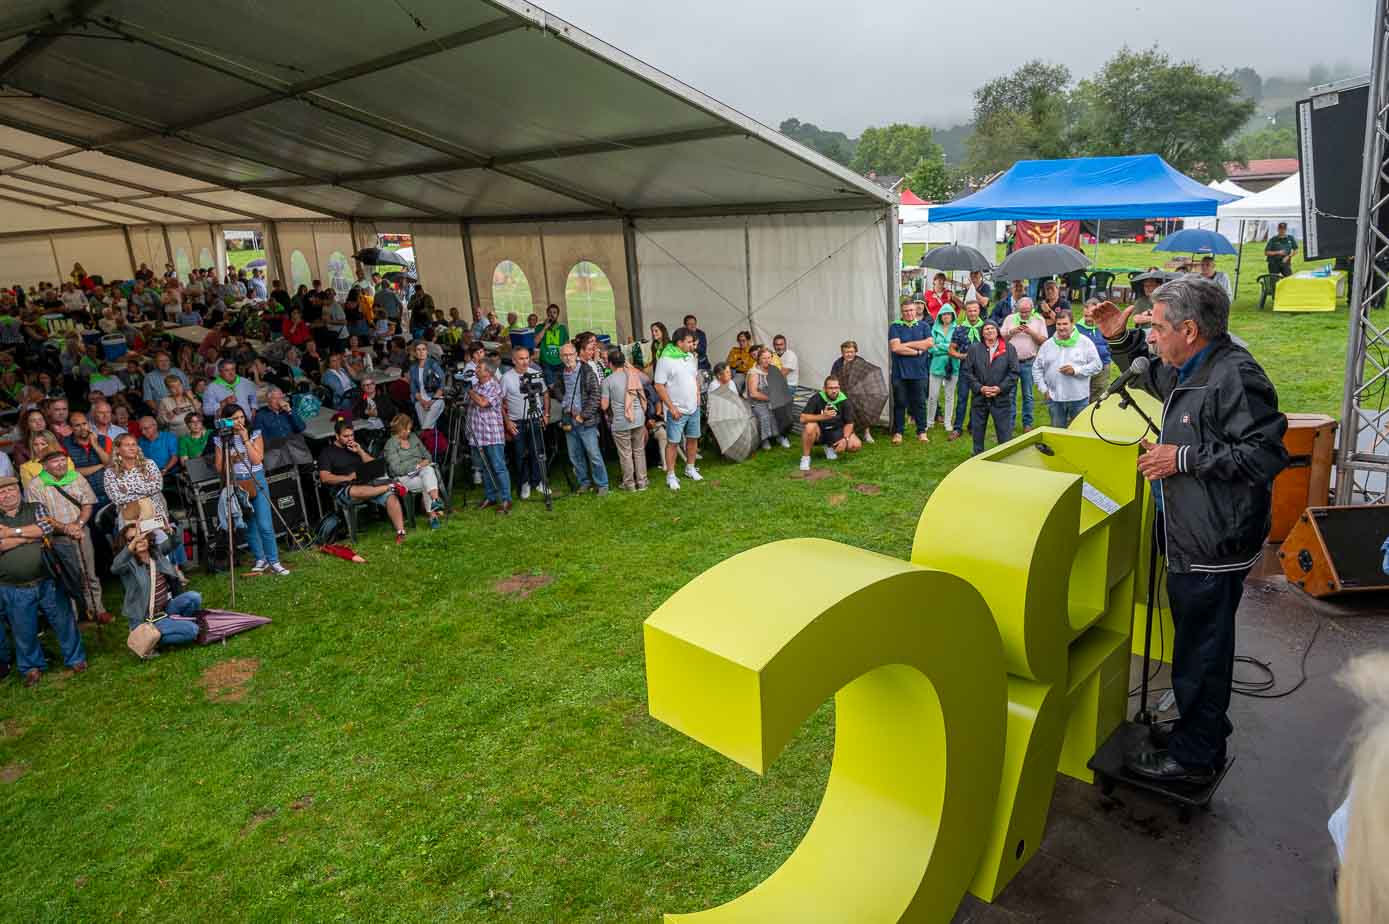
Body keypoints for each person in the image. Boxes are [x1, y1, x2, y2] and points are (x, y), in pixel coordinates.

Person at [1094, 276, 1288, 784]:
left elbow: (1265, 454)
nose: (1151, 337)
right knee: (1199, 646)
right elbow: (1153, 377)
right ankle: (1198, 730)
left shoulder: (1234, 376)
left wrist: (1180, 457)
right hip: (1195, 534)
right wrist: (1119, 338)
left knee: (1202, 652)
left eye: (1156, 327)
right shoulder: (1194, 365)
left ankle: (1195, 758)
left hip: (1214, 545)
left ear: (1190, 328)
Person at [0, 474, 86, 686]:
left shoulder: (35, 507)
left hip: (48, 579)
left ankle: (76, 659)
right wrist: (30, 536)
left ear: (18, 491)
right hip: (13, 586)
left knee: (63, 620)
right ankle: (31, 667)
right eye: (1, 492)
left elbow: (45, 529)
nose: (7, 494)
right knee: (23, 629)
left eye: (10, 489)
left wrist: (11, 533)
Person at [24, 448, 109, 624]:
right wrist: (66, 528)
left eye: (63, 459)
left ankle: (97, 609)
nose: (61, 464)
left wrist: (77, 526)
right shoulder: (35, 485)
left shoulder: (77, 477)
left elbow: (87, 503)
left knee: (89, 572)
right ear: (44, 465)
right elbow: (41, 516)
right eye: (55, 461)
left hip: (80, 532)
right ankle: (74, 615)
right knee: (66, 577)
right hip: (55, 537)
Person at [111, 523, 201, 649]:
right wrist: (133, 544)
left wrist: (169, 530)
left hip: (166, 608)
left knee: (194, 597)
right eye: (132, 539)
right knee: (193, 630)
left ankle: (172, 624)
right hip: (147, 619)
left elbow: (175, 542)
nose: (140, 540)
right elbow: (115, 567)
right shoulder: (127, 564)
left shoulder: (156, 552)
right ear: (126, 544)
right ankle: (151, 640)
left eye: (142, 536)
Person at [318, 419, 409, 544]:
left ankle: (401, 532)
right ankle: (389, 487)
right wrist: (348, 478)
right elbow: (325, 477)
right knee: (355, 491)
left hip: (367, 483)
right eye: (346, 436)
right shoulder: (327, 452)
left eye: (351, 435)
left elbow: (374, 465)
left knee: (391, 498)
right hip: (344, 488)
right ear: (337, 436)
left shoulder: (356, 446)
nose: (350, 438)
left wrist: (360, 452)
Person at [554, 341, 609, 495]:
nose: (567, 358)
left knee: (593, 454)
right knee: (574, 455)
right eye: (564, 355)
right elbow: (556, 389)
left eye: (570, 354)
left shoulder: (586, 371)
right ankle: (584, 482)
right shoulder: (560, 373)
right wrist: (564, 401)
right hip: (569, 419)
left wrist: (583, 416)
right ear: (560, 357)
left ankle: (602, 484)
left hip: (586, 421)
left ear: (576, 355)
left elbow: (596, 396)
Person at [1033, 309, 1102, 428]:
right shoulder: (1048, 345)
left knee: (1079, 432)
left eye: (1065, 324)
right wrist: (1044, 389)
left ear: (1072, 323)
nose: (1061, 328)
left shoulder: (1085, 343)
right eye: (1058, 324)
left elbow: (1097, 365)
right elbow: (1036, 368)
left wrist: (1076, 371)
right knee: (1057, 433)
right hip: (1055, 398)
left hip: (1078, 399)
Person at [653, 329, 704, 490]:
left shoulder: (690, 357)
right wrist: (671, 407)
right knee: (673, 443)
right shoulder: (665, 359)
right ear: (679, 342)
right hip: (677, 410)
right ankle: (671, 475)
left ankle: (690, 468)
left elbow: (694, 377)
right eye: (689, 342)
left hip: (693, 407)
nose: (692, 345)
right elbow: (659, 385)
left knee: (693, 438)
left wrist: (697, 395)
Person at [961, 317, 1019, 455]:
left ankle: (1005, 457)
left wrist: (1000, 388)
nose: (989, 331)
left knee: (1004, 432)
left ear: (997, 331)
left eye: (992, 328)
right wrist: (980, 388)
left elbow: (1014, 372)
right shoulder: (974, 349)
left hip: (1001, 398)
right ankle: (977, 456)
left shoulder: (1008, 348)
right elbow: (967, 372)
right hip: (979, 398)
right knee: (977, 431)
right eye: (986, 329)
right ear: (982, 333)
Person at [500, 346, 549, 500]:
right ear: (514, 361)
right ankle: (524, 483)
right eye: (521, 358)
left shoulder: (536, 374)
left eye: (527, 357)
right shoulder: (506, 377)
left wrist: (546, 413)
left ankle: (539, 481)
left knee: (538, 451)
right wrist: (507, 422)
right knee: (520, 454)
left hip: (536, 418)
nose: (525, 361)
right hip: (517, 421)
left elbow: (545, 393)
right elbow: (500, 402)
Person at [466, 360, 512, 511]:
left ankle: (506, 499)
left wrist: (470, 392)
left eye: (479, 367)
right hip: (478, 435)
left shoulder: (495, 387)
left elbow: (483, 403)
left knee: (499, 467)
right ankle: (490, 497)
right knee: (485, 468)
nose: (476, 369)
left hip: (492, 434)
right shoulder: (476, 386)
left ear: (488, 372)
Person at [601, 348, 649, 491]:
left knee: (625, 454)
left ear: (610, 364)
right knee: (639, 451)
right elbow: (647, 379)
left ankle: (629, 484)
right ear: (624, 362)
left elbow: (604, 406)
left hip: (621, 422)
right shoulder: (634, 375)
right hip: (639, 418)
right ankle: (642, 482)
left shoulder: (607, 381)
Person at [383, 414, 444, 528]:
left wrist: (424, 462)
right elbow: (397, 469)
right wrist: (416, 465)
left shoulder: (413, 437)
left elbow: (427, 455)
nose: (409, 431)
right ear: (399, 429)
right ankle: (433, 513)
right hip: (403, 478)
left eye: (410, 428)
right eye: (407, 429)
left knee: (428, 470)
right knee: (428, 481)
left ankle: (435, 501)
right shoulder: (391, 444)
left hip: (422, 472)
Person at [889, 301, 933, 444]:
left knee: (920, 402)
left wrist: (906, 345)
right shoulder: (895, 326)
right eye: (906, 311)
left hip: (919, 372)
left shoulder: (924, 326)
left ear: (916, 311)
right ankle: (899, 432)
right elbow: (895, 348)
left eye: (911, 310)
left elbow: (929, 344)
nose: (909, 313)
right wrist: (917, 352)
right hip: (899, 373)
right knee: (900, 402)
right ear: (902, 312)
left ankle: (921, 431)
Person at [1000, 297, 1047, 432]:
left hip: (1028, 361)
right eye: (1021, 312)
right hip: (1011, 363)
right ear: (1017, 309)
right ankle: (1009, 423)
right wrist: (1012, 332)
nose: (1024, 314)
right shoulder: (1010, 319)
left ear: (1032, 309)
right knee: (1010, 394)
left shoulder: (1038, 320)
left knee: (1028, 394)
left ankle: (1027, 424)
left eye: (1027, 312)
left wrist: (1031, 332)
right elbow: (1001, 338)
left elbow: (1043, 340)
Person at [798, 375, 860, 472]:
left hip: (836, 430)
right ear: (824, 389)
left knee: (856, 445)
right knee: (810, 426)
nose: (834, 391)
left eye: (836, 388)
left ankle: (829, 446)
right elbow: (802, 418)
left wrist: (845, 439)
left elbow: (849, 423)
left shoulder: (844, 400)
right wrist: (822, 417)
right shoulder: (817, 398)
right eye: (831, 388)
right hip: (819, 431)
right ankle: (806, 458)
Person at [948, 300, 986, 441]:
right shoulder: (960, 329)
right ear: (966, 312)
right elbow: (951, 349)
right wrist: (962, 356)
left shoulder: (985, 327)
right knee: (962, 398)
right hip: (965, 369)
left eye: (975, 310)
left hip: (981, 369)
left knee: (977, 399)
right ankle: (957, 428)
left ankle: (973, 426)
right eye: (969, 311)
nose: (972, 313)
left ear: (979, 311)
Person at [62, 412, 112, 508]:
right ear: (70, 428)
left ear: (88, 424)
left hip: (109, 494)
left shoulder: (104, 440)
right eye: (77, 425)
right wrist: (101, 465)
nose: (82, 428)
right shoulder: (65, 444)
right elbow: (69, 472)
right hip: (83, 499)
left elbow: (111, 465)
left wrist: (95, 444)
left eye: (84, 424)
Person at [747, 346, 791, 451]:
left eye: (769, 357)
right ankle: (765, 439)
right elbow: (753, 393)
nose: (767, 360)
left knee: (783, 411)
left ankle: (781, 436)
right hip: (758, 402)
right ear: (759, 359)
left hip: (772, 399)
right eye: (764, 358)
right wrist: (770, 398)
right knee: (765, 415)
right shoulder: (754, 373)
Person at [926, 304, 959, 432]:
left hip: (953, 366)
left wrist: (940, 346)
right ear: (940, 316)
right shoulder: (934, 329)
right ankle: (929, 422)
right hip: (936, 366)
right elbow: (930, 348)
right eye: (944, 314)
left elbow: (957, 346)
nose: (946, 316)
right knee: (933, 395)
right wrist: (948, 347)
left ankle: (947, 422)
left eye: (949, 314)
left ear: (952, 316)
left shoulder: (957, 329)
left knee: (949, 395)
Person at [1077, 298, 1113, 403]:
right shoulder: (1077, 329)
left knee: (1099, 395)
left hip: (1102, 366)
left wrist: (1105, 351)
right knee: (1082, 395)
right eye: (1086, 316)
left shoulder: (1106, 325)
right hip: (1084, 367)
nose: (1088, 319)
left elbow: (1111, 343)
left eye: (1091, 315)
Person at [408, 340, 445, 432]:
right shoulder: (413, 368)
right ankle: (430, 444)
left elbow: (442, 385)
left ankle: (425, 442)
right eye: (418, 350)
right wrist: (422, 401)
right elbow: (413, 389)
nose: (421, 352)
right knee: (426, 427)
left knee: (425, 428)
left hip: (435, 400)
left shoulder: (433, 364)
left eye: (424, 349)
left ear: (427, 351)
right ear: (414, 352)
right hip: (420, 401)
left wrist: (430, 402)